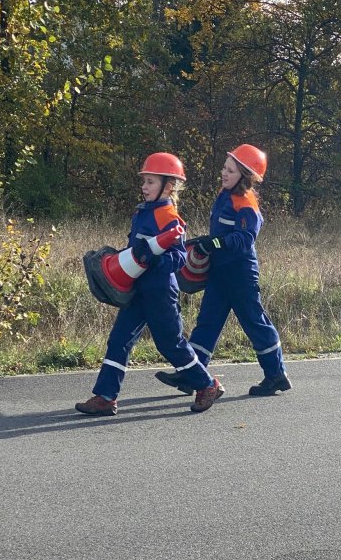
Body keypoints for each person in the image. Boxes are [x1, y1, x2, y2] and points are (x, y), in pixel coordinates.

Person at [75, 152, 224, 415]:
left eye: (150, 182)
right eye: (144, 181)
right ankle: (106, 397)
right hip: (138, 289)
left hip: (160, 293)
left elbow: (179, 258)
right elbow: (137, 249)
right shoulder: (142, 213)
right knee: (119, 340)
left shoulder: (170, 218)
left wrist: (152, 259)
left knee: (170, 344)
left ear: (168, 186)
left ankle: (207, 384)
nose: (144, 187)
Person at [155, 144, 292, 397]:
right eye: (224, 168)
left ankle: (276, 375)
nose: (223, 173)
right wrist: (206, 243)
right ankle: (192, 373)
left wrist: (214, 243)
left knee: (254, 322)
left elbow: (244, 240)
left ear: (245, 175)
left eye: (230, 170)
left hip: (240, 275)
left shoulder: (247, 203)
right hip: (219, 272)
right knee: (207, 321)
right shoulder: (225, 194)